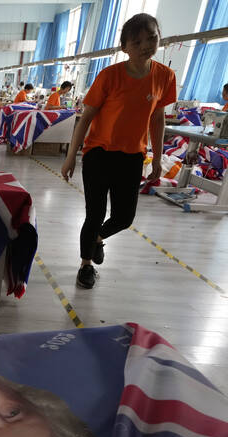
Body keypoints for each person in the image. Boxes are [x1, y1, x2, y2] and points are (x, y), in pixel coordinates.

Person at [60, 13, 176, 289]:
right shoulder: (109, 76)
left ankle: (97, 238)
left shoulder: (164, 76)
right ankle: (86, 265)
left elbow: (158, 118)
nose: (146, 45)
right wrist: (70, 157)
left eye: (151, 38)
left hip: (132, 156)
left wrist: (157, 158)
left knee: (124, 217)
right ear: (125, 48)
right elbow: (86, 117)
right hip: (99, 153)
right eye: (137, 42)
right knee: (95, 213)